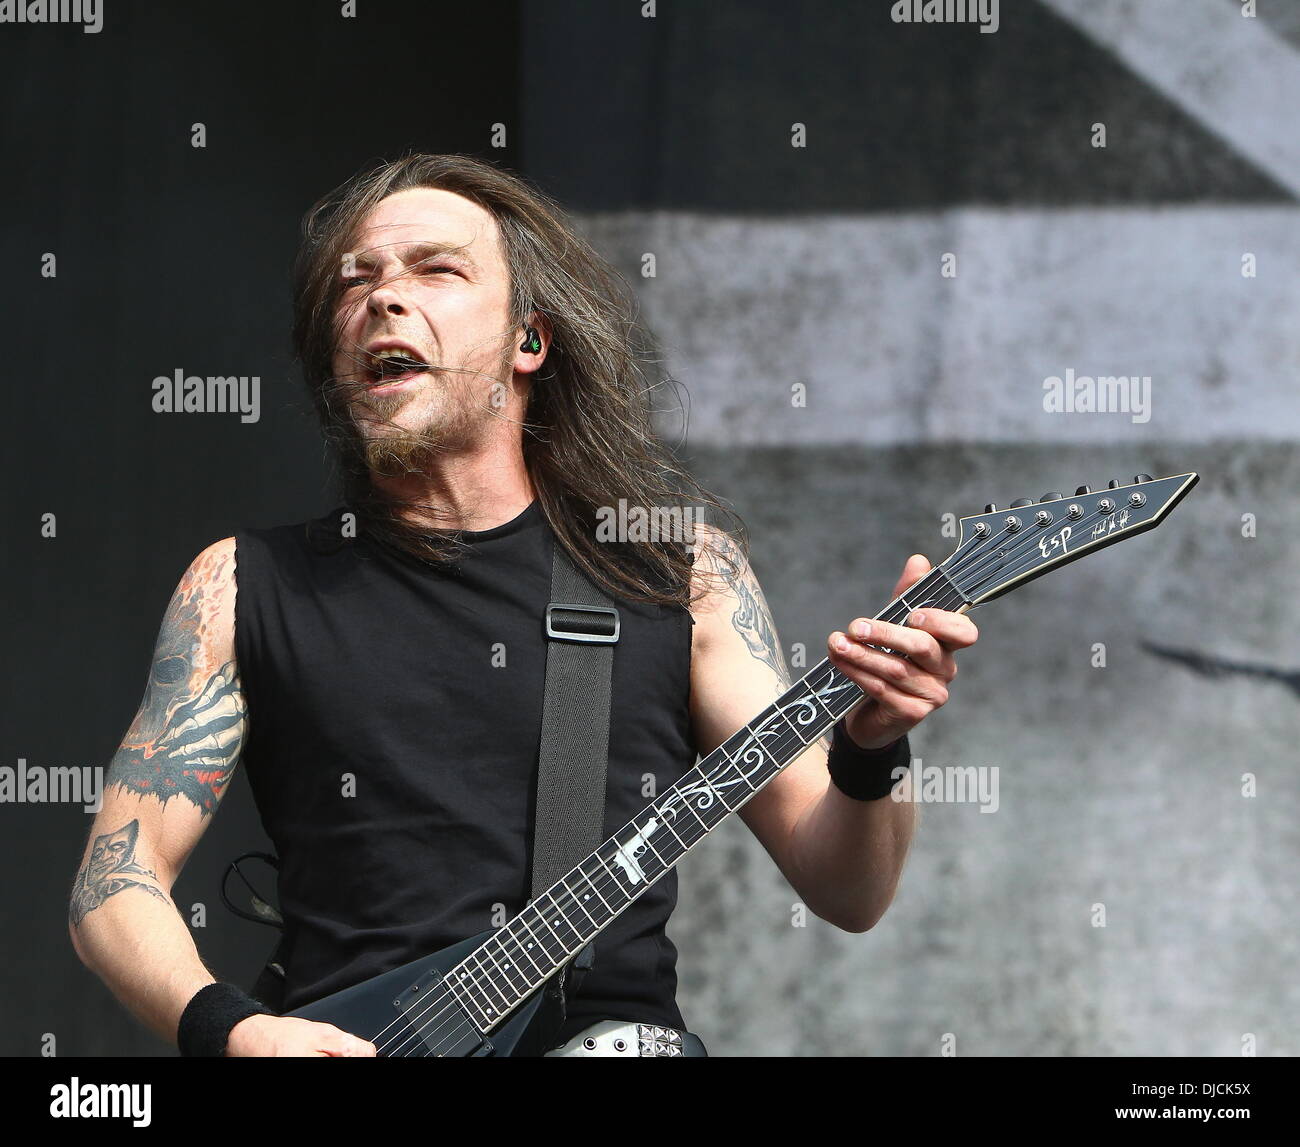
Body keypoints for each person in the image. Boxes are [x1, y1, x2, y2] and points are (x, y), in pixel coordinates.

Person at [68, 154, 977, 1057]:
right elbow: (114, 879)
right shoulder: (243, 585)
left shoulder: (676, 575)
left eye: (436, 268)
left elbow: (849, 890)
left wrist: (873, 747)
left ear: (528, 341)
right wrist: (235, 1032)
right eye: (359, 279)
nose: (383, 296)